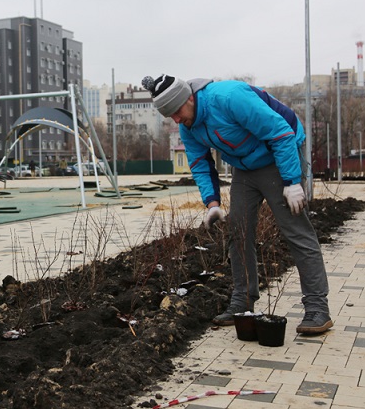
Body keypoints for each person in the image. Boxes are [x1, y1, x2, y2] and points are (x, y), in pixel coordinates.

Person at [141, 74, 333, 335]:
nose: (176, 120)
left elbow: (280, 132)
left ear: (188, 98)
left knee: (294, 229)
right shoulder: (188, 126)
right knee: (238, 233)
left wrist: (291, 181)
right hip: (245, 168)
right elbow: (199, 163)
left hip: (280, 154)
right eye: (170, 116)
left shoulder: (229, 98)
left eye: (176, 112)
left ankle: (317, 308)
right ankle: (242, 303)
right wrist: (212, 203)